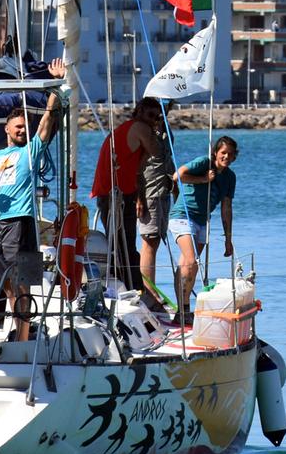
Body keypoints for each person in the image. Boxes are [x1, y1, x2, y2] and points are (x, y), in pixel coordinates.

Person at [0, 87, 64, 342]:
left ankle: (23, 338)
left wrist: (54, 92)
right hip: (1, 225)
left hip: (21, 222)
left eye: (25, 126)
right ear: (7, 129)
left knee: (22, 281)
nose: (22, 130)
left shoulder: (31, 151)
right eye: (18, 127)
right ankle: (21, 331)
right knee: (8, 284)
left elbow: (47, 121)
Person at [93, 98, 160, 288]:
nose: (153, 120)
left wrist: (139, 197)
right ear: (139, 112)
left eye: (156, 117)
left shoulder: (129, 129)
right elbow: (157, 151)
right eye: (150, 115)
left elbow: (137, 170)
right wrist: (157, 130)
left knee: (122, 245)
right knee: (123, 246)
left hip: (118, 193)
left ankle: (126, 284)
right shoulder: (140, 127)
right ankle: (133, 288)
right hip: (115, 194)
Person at [171, 136, 239, 325]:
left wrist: (228, 238)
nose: (226, 156)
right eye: (223, 152)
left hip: (202, 221)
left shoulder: (230, 177)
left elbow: (227, 208)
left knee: (188, 265)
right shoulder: (204, 163)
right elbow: (178, 175)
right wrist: (203, 179)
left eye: (230, 154)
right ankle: (184, 309)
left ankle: (181, 310)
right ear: (216, 153)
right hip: (183, 216)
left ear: (235, 157)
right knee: (191, 261)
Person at [134, 104, 178, 315]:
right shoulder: (142, 131)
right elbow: (137, 167)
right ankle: (148, 291)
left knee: (156, 239)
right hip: (149, 191)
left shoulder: (164, 128)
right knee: (149, 240)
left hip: (163, 189)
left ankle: (151, 286)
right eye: (154, 114)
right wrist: (139, 197)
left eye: (162, 112)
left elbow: (168, 158)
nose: (159, 116)